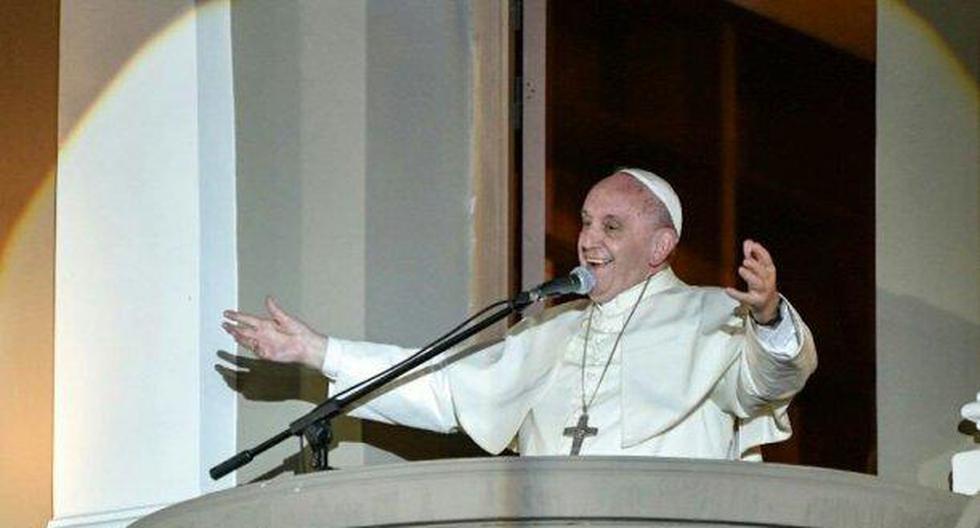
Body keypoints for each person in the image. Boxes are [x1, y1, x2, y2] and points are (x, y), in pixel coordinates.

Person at [223, 168, 816, 460]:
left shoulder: (711, 316)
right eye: (586, 221)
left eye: (612, 226)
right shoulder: (550, 328)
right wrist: (319, 351)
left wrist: (768, 319)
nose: (588, 239)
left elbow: (765, 384)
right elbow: (446, 391)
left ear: (660, 247)